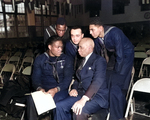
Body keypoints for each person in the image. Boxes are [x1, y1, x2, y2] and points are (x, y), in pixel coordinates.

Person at [89, 17, 134, 120]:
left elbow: (120, 55)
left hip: (126, 54)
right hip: (115, 55)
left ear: (100, 28)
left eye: (92, 29)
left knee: (116, 84)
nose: (91, 33)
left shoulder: (115, 32)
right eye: (90, 30)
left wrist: (117, 73)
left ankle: (117, 115)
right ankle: (111, 106)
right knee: (107, 78)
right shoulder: (97, 39)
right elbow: (99, 55)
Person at [54, 37, 109, 120]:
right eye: (78, 47)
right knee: (59, 106)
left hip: (96, 97)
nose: (78, 50)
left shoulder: (99, 61)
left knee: (78, 111)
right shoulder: (82, 61)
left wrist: (84, 99)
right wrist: (74, 88)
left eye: (81, 47)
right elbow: (78, 79)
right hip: (80, 93)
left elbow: (97, 81)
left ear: (89, 48)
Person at [25, 35, 74, 120]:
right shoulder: (40, 59)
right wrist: (39, 88)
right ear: (50, 47)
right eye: (57, 47)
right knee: (31, 100)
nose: (60, 49)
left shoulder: (66, 59)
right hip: (44, 89)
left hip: (60, 89)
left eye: (61, 47)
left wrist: (56, 89)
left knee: (58, 101)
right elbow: (35, 78)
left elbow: (67, 79)